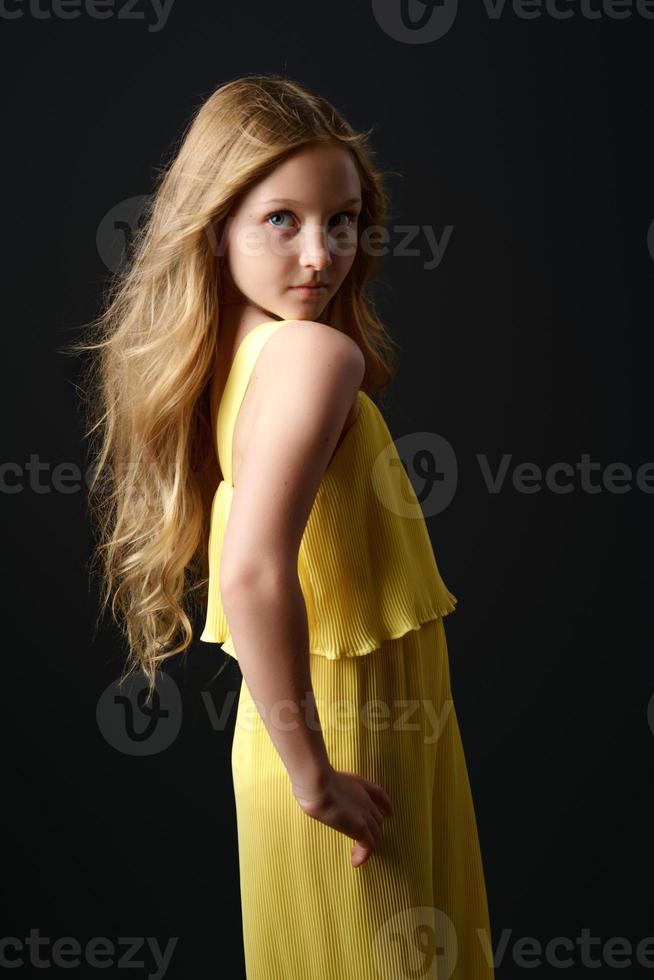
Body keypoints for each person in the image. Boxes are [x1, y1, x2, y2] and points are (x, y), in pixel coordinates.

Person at [76, 74, 494, 980]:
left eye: (341, 220)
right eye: (282, 220)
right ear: (216, 223)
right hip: (350, 751)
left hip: (308, 743)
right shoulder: (312, 353)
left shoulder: (236, 349)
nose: (321, 253)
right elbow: (255, 573)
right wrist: (317, 777)